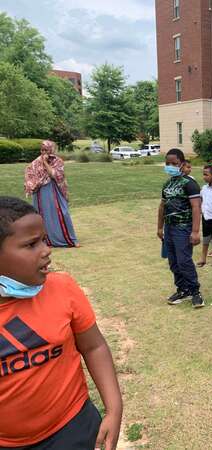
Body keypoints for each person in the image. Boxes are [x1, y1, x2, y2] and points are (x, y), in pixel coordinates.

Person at [0, 196, 122, 449]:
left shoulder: (62, 288)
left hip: (71, 428)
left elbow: (94, 347)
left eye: (44, 239)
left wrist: (114, 408)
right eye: (32, 244)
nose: (46, 250)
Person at [157, 148, 204, 308]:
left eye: (174, 163)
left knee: (184, 261)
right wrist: (159, 227)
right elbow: (162, 207)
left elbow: (196, 207)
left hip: (183, 228)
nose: (170, 166)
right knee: (173, 262)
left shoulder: (189, 184)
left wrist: (195, 231)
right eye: (168, 163)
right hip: (169, 229)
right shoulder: (167, 184)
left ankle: (195, 292)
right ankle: (182, 289)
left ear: (182, 164)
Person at [24, 140, 78, 248]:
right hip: (40, 192)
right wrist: (32, 184)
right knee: (43, 215)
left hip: (54, 190)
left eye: (46, 150)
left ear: (51, 150)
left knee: (62, 212)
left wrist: (45, 163)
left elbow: (55, 175)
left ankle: (70, 239)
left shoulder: (58, 161)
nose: (43, 152)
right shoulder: (36, 162)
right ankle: (47, 241)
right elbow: (29, 172)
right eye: (42, 150)